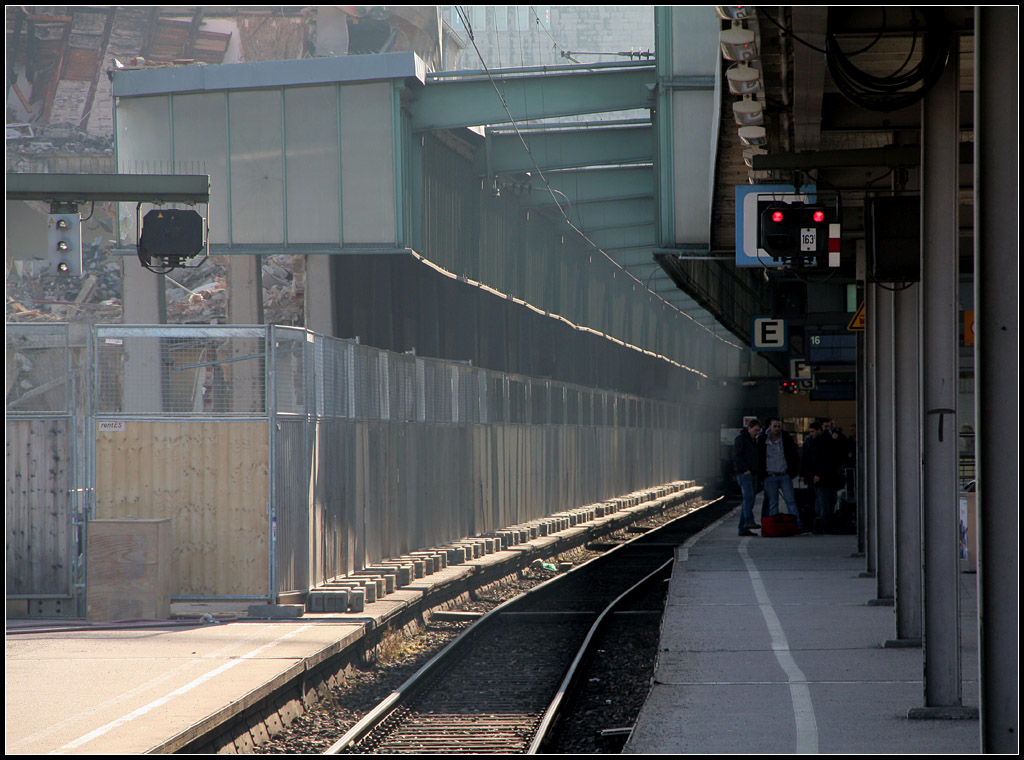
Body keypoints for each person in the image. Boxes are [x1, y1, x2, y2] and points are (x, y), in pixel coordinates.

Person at [757, 417, 804, 531]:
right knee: (773, 502)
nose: (777, 429)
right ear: (770, 427)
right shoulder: (762, 439)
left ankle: (797, 525)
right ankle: (775, 526)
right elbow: (758, 457)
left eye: (779, 426)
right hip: (770, 475)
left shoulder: (786, 439)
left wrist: (791, 473)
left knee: (790, 501)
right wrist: (762, 474)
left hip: (784, 475)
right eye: (775, 426)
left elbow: (794, 456)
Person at [801, 420, 843, 533]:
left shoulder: (817, 443)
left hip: (822, 478)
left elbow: (818, 460)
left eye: (813, 431)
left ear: (819, 430)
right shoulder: (828, 441)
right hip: (830, 478)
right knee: (828, 503)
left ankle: (824, 526)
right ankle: (826, 526)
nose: (811, 434)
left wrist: (815, 474)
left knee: (823, 503)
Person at [733, 418, 762, 536]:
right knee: (748, 498)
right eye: (755, 430)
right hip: (745, 474)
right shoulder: (741, 439)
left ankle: (743, 528)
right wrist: (745, 470)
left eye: (758, 431)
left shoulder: (753, 440)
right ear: (749, 428)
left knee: (748, 499)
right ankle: (749, 521)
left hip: (751, 473)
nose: (757, 433)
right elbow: (737, 456)